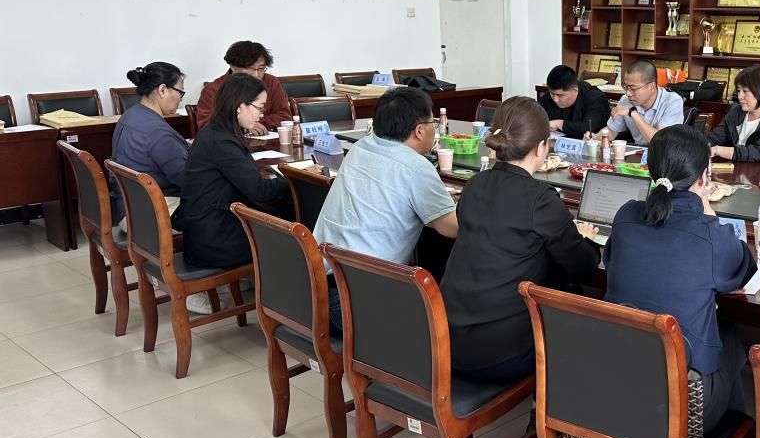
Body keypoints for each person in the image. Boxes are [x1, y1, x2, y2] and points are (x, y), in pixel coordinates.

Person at [603, 124, 756, 438]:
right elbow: (743, 268)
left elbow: (611, 259)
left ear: (649, 170)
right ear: (704, 178)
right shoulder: (709, 235)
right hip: (682, 409)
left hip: (616, 391)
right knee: (732, 339)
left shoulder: (626, 216)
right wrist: (708, 211)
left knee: (720, 338)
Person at [441, 97, 601, 380]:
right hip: (499, 354)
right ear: (541, 147)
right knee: (574, 307)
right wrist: (584, 238)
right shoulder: (540, 199)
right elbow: (582, 265)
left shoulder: (475, 184)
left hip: (447, 339)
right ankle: (551, 403)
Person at [314, 86, 458, 333]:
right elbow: (451, 228)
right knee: (449, 315)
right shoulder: (416, 167)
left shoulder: (360, 147)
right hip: (355, 306)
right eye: (432, 122)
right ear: (419, 130)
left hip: (317, 290)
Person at [180, 74, 290, 272]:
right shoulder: (222, 141)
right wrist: (295, 178)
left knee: (284, 214)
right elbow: (260, 191)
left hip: (208, 228)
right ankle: (284, 286)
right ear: (240, 106)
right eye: (260, 108)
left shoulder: (215, 131)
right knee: (296, 229)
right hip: (216, 240)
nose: (261, 115)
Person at [108, 62, 189, 223]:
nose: (181, 99)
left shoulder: (130, 115)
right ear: (162, 90)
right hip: (150, 214)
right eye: (180, 92)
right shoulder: (157, 131)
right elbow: (187, 180)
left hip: (128, 205)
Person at [194, 40, 291, 133]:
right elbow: (206, 124)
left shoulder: (271, 82)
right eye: (250, 68)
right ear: (232, 66)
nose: (256, 75)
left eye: (261, 68)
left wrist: (256, 124)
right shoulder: (213, 89)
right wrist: (242, 126)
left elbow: (284, 116)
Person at [707, 64, 760, 163]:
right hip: (734, 169)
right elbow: (715, 138)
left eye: (745, 91)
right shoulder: (735, 111)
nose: (740, 96)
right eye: (738, 90)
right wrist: (702, 145)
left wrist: (718, 150)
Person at [598, 59, 684, 147]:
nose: (628, 93)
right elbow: (611, 131)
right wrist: (595, 137)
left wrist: (632, 113)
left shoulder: (673, 101)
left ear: (651, 86)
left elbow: (659, 142)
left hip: (665, 153)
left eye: (633, 88)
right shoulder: (626, 100)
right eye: (626, 87)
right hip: (639, 152)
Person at [538, 64, 612, 137]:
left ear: (575, 90)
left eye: (560, 95)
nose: (555, 99)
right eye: (552, 93)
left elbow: (589, 128)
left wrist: (559, 124)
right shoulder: (550, 95)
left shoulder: (595, 98)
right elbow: (535, 116)